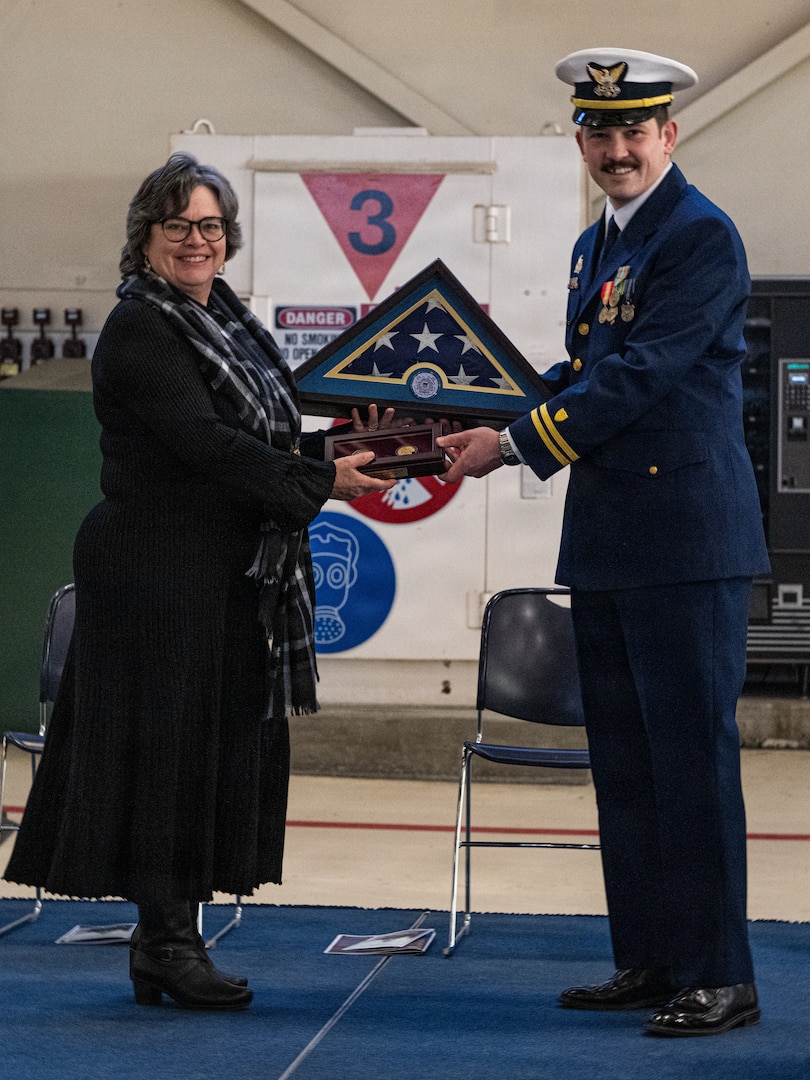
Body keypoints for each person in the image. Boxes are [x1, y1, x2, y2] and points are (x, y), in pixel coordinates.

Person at [4, 152, 398, 1011]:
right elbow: (207, 445)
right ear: (146, 237)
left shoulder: (220, 320)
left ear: (229, 238)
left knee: (199, 749)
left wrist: (338, 445)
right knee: (164, 753)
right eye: (178, 224)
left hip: (216, 567)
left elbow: (253, 437)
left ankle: (164, 946)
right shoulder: (144, 328)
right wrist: (322, 480)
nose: (196, 239)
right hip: (154, 567)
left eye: (210, 225)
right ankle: (168, 945)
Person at [437, 48, 770, 1038]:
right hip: (616, 538)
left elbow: (640, 380)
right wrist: (485, 404)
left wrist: (514, 445)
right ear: (580, 140)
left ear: (670, 135)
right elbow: (584, 366)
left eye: (636, 131)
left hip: (687, 538)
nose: (617, 149)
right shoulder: (601, 245)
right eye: (601, 131)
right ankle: (653, 959)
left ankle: (721, 975)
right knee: (626, 764)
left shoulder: (700, 236)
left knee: (692, 763)